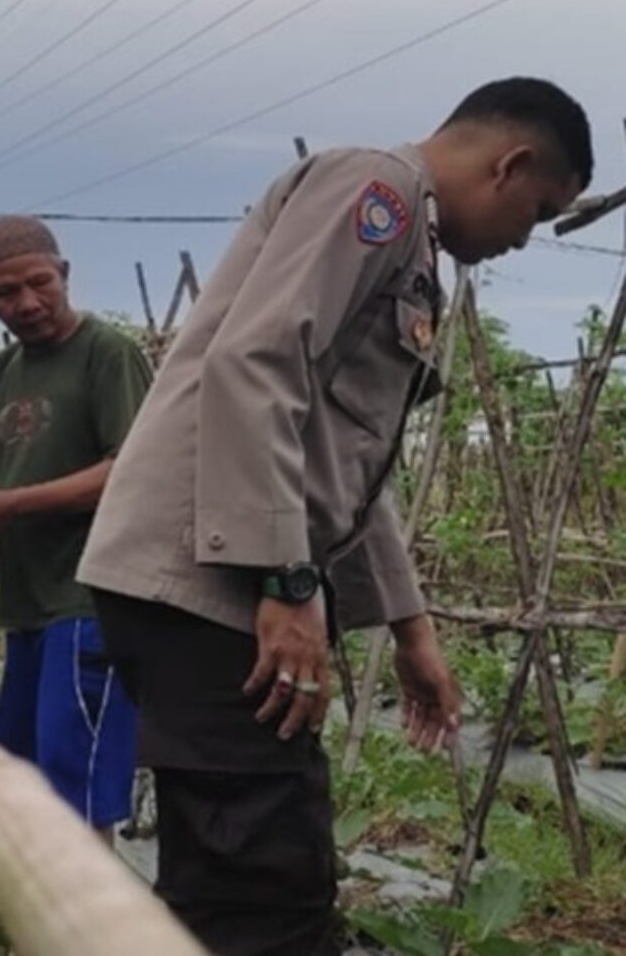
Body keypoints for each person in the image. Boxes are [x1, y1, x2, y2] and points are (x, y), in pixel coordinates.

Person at [77, 77, 593, 954]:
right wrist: (283, 577)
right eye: (539, 212)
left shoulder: (410, 249)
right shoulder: (377, 194)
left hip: (211, 578)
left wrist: (411, 626)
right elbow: (257, 363)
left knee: (244, 869)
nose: (522, 240)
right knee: (263, 882)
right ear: (510, 164)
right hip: (206, 579)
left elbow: (346, 463)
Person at [0, 215, 152, 839]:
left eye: (39, 283)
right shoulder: (3, 373)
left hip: (91, 600)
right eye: (6, 293)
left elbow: (128, 475)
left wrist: (11, 505)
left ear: (65, 274)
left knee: (70, 790)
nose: (27, 303)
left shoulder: (107, 355)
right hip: (27, 604)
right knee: (22, 779)